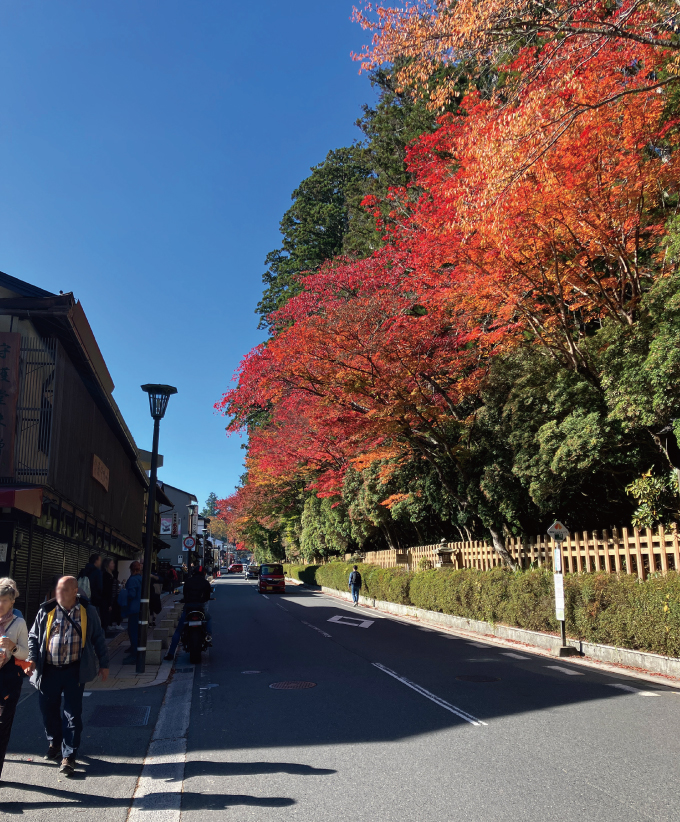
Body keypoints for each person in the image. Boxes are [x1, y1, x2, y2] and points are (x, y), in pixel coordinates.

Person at [26, 576, 109, 777]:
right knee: (48, 711)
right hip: (49, 670)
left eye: (64, 590)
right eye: (58, 589)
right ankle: (54, 741)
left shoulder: (87, 611)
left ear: (75, 592)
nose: (59, 593)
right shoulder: (46, 610)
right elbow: (34, 637)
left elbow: (98, 637)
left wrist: (104, 665)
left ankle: (69, 755)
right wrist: (32, 659)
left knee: (72, 714)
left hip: (74, 670)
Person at [0, 578, 29, 779]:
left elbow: (25, 654)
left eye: (4, 600)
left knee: (2, 725)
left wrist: (13, 647)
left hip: (9, 677)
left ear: (12, 602)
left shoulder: (18, 623)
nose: (0, 604)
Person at [164, 567, 212, 661]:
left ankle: (171, 653)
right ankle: (208, 636)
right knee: (208, 619)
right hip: (199, 607)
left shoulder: (188, 582)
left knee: (178, 630)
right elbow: (207, 596)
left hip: (189, 608)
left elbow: (185, 595)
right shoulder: (205, 583)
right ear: (203, 573)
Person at [122, 561, 142, 664]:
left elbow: (131, 594)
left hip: (133, 608)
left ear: (131, 569)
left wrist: (123, 591)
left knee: (133, 631)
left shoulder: (133, 580)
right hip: (140, 608)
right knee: (136, 631)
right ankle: (135, 650)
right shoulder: (141, 579)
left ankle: (134, 653)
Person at [100, 559, 115, 636]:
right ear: (107, 565)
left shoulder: (110, 575)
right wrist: (109, 604)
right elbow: (107, 590)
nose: (113, 565)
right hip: (105, 601)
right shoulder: (106, 576)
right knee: (104, 619)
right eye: (112, 563)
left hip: (107, 601)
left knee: (105, 619)